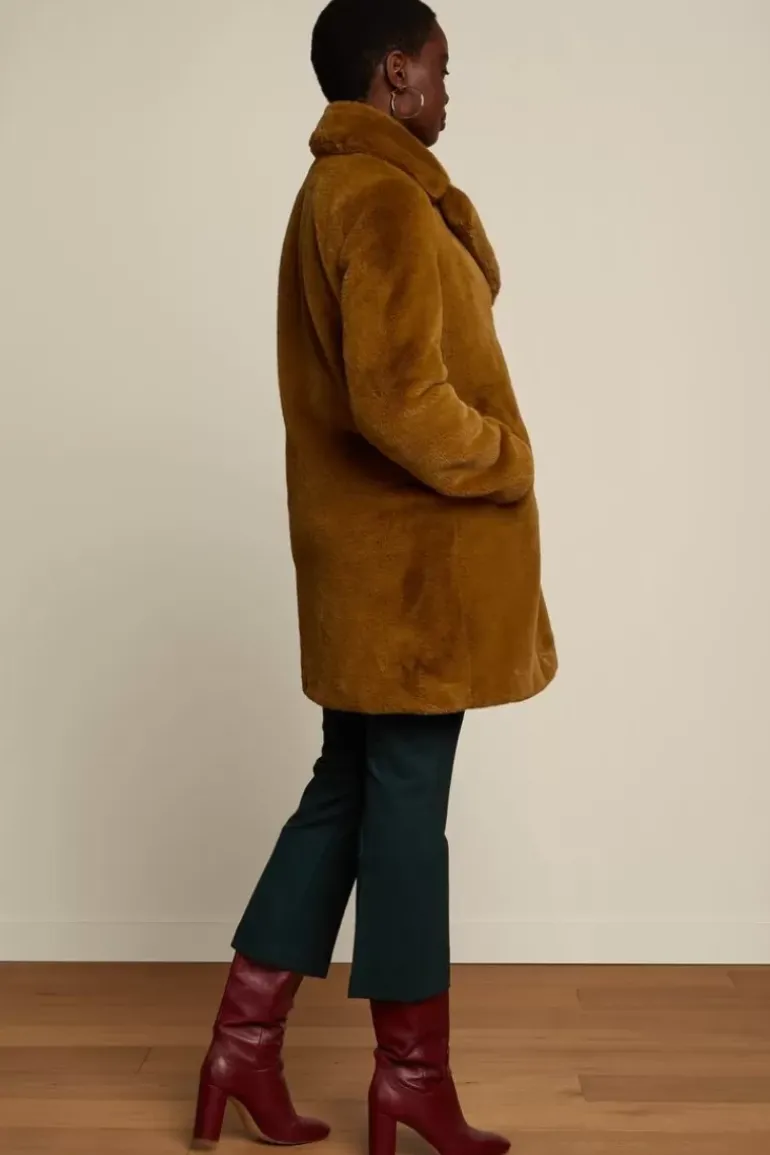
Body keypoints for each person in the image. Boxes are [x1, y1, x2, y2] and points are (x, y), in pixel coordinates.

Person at [192, 0, 557, 1151]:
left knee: (344, 792)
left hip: (365, 572)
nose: (449, 88)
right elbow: (398, 401)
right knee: (403, 816)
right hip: (412, 585)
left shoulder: (334, 190)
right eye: (440, 67)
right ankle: (410, 1078)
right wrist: (504, 456)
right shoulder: (383, 197)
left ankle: (241, 1048)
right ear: (394, 72)